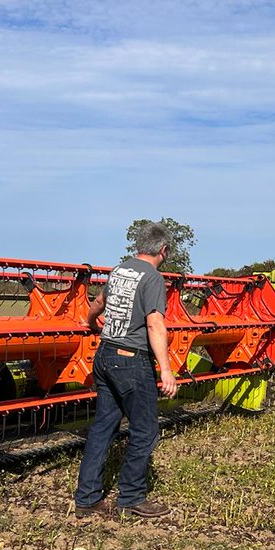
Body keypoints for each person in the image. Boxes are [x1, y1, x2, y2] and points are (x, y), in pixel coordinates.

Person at [74, 221, 179, 519]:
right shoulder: (153, 278)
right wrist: (166, 370)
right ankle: (131, 497)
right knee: (145, 431)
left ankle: (87, 498)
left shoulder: (120, 270)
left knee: (103, 427)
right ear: (163, 249)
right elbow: (155, 323)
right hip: (131, 360)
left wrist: (90, 322)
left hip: (105, 355)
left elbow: (98, 302)